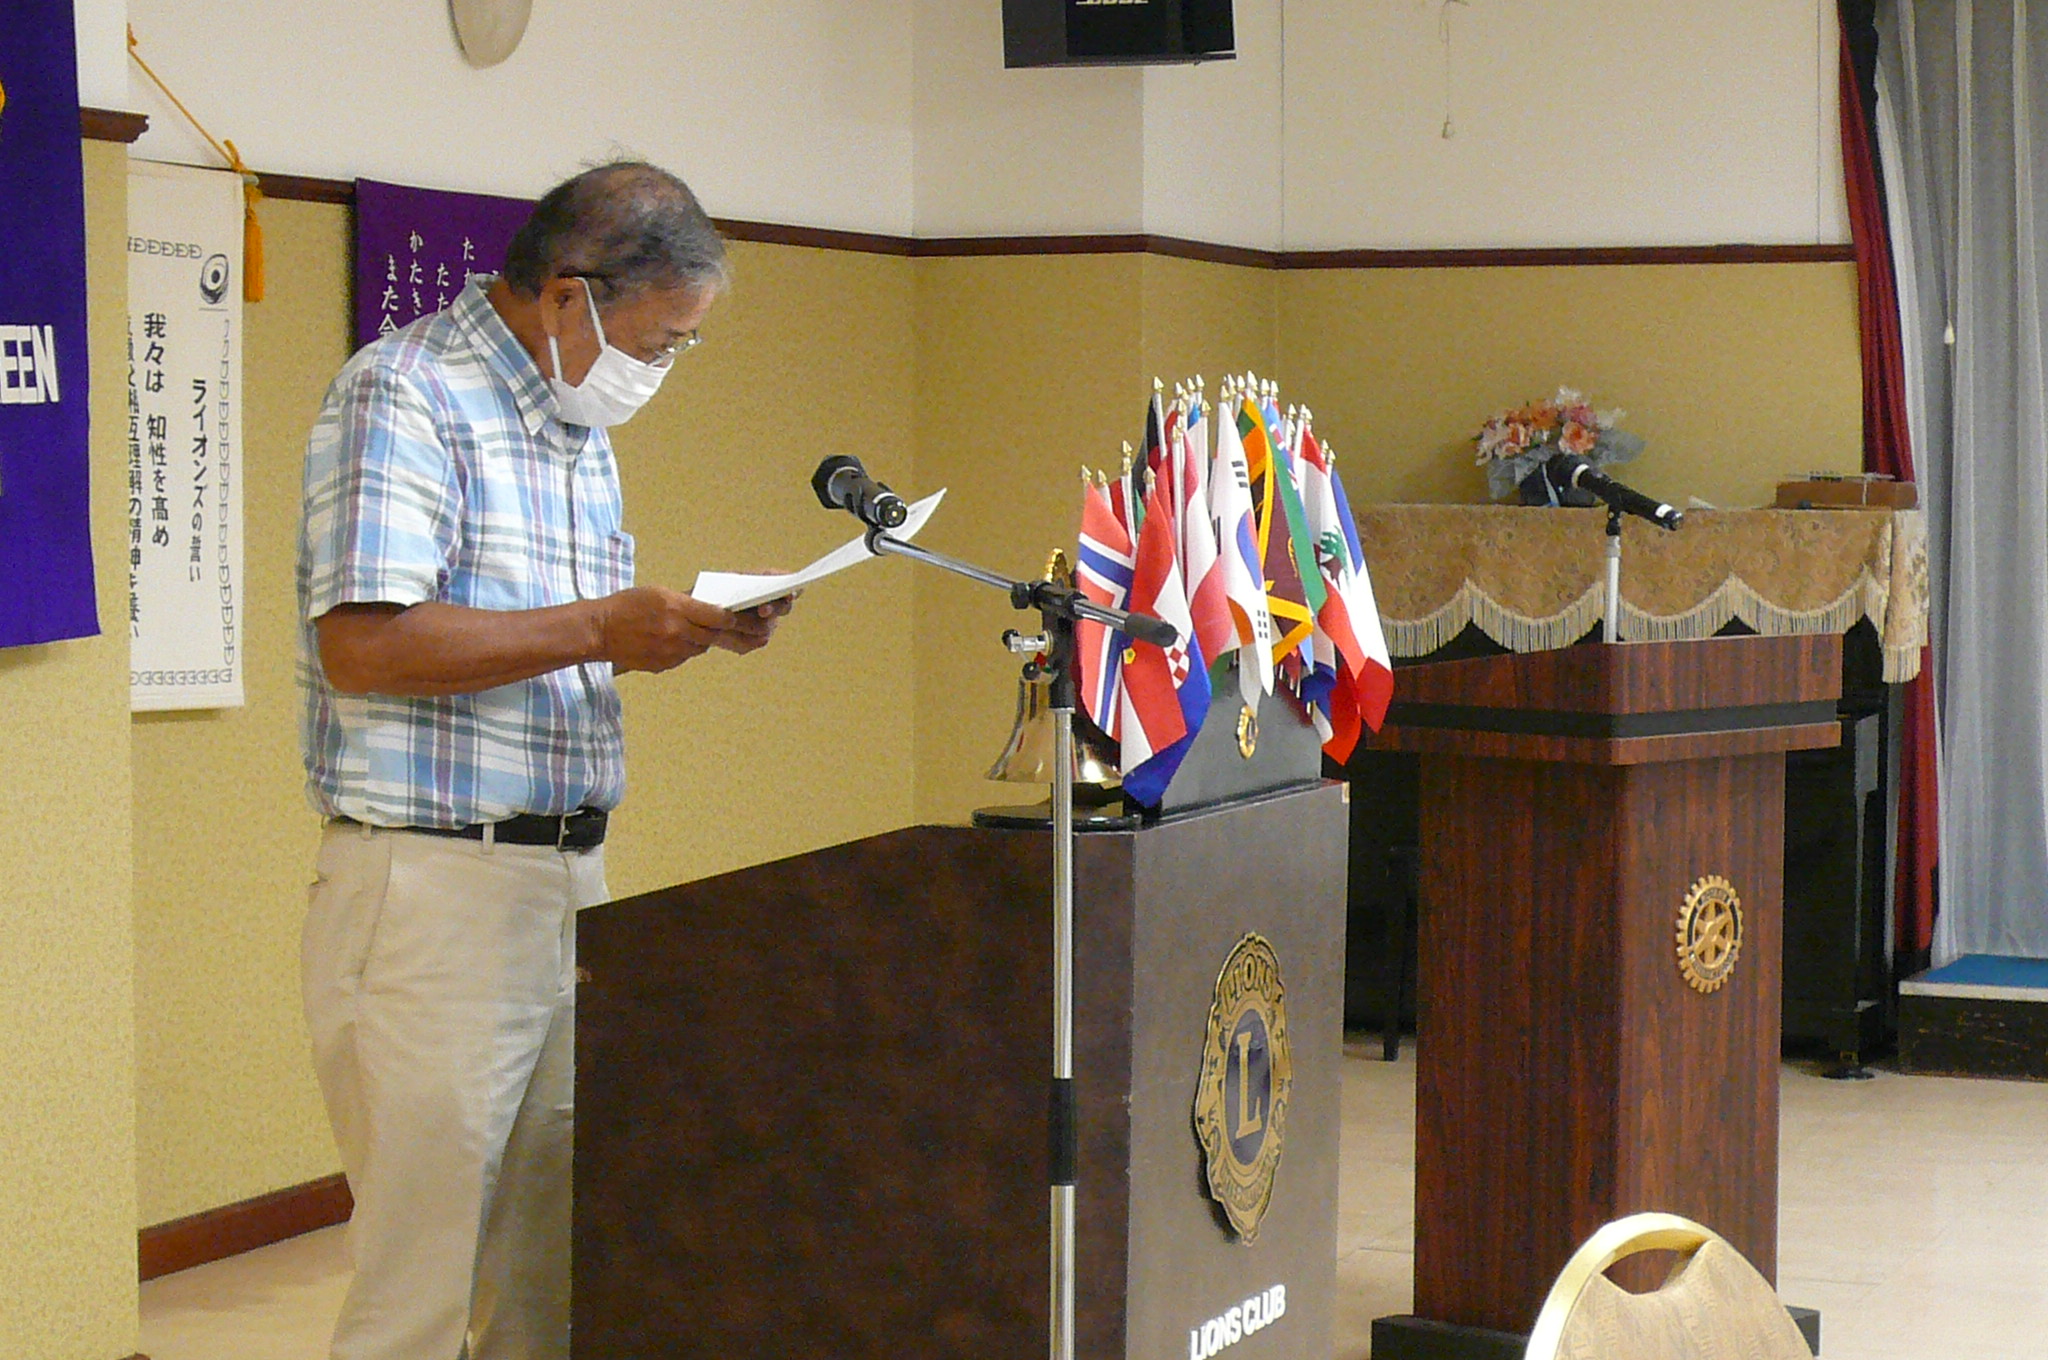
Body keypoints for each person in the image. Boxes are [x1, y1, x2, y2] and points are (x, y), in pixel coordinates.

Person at [295, 161, 789, 1360]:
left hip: (564, 880)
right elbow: (364, 645)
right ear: (570, 296)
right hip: (434, 891)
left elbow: (533, 646)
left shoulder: (574, 428)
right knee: (422, 1283)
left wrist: (660, 637)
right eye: (659, 340)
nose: (660, 368)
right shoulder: (405, 392)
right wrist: (600, 627)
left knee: (554, 1270)